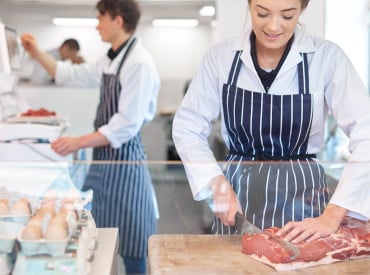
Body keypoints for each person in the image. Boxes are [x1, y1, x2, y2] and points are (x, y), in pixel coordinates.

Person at [172, 0, 370, 244]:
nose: (274, 26)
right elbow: (187, 125)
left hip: (303, 207)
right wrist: (214, 183)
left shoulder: (327, 59)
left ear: (302, 10)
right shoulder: (221, 58)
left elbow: (366, 132)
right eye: (262, 13)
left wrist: (333, 214)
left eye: (287, 16)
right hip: (238, 201)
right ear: (249, 5)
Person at [21, 0, 160, 273]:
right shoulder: (112, 59)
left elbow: (125, 125)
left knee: (134, 246)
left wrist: (77, 141)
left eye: (100, 18)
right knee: (99, 240)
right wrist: (36, 52)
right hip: (103, 161)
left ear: (117, 20)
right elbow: (71, 74)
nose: (97, 25)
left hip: (126, 161)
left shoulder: (138, 63)